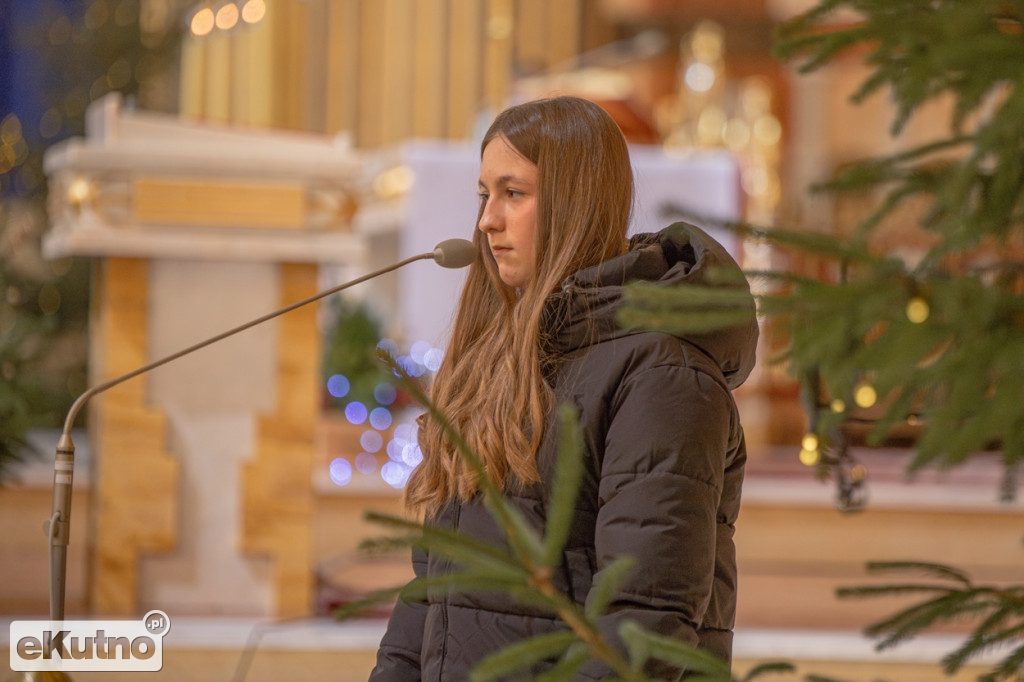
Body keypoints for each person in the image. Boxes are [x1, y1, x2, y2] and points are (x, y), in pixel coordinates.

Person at [369, 96, 758, 681]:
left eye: (513, 193)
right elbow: (433, 590)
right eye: (484, 195)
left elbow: (644, 619)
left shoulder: (661, 373)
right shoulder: (496, 362)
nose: (486, 221)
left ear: (575, 202)